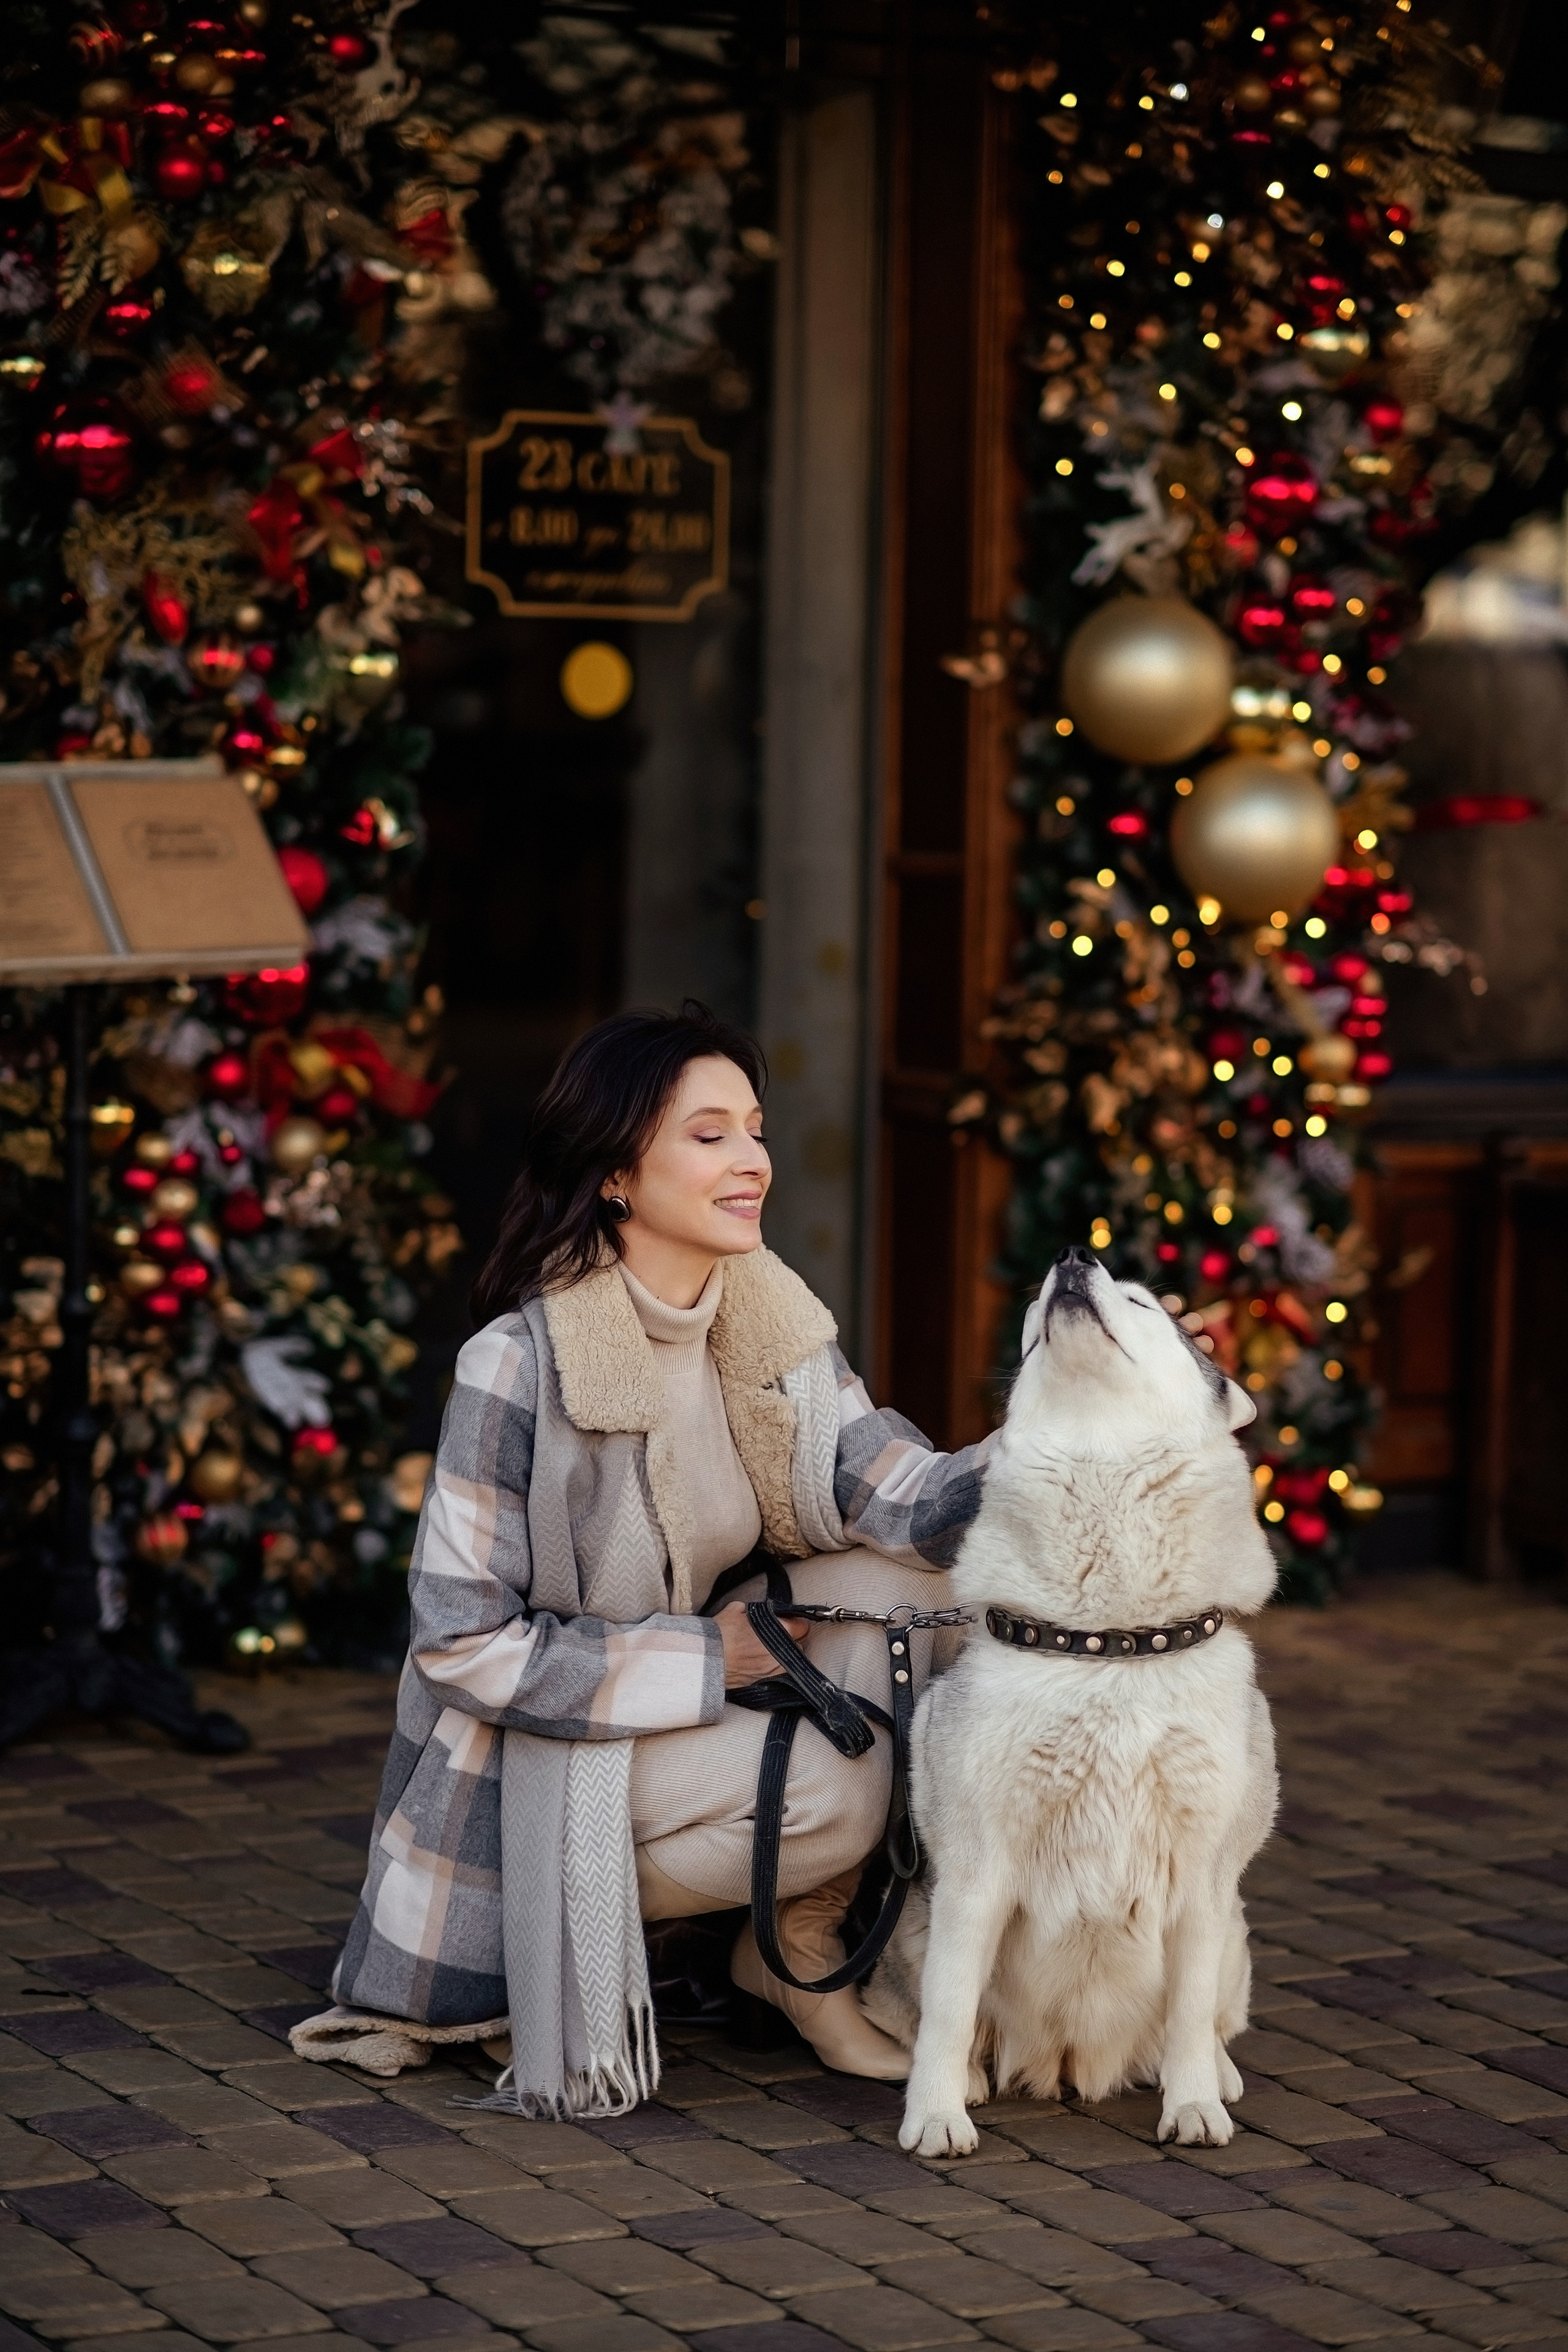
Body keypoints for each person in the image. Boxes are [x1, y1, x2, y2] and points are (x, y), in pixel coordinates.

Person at [298, 1003, 995, 2115]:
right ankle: (537, 1945)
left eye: (755, 1130)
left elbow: (898, 1495)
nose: (752, 1161)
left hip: (696, 1681)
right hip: (536, 1740)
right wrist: (701, 1659)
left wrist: (1091, 1418)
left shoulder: (768, 1324)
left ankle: (787, 1956)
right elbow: (463, 1646)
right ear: (618, 1172)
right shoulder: (519, 1366)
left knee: (932, 1581)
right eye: (709, 1134)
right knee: (836, 1795)